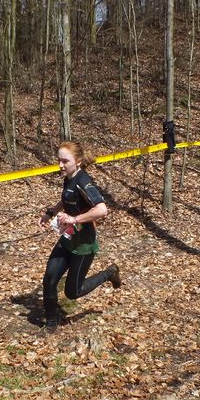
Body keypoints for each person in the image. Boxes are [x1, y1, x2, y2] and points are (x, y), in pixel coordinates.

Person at [37, 141, 121, 331]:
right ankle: (51, 322)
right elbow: (67, 197)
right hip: (68, 239)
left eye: (65, 161)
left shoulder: (84, 181)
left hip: (83, 245)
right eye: (59, 160)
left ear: (78, 161)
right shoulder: (69, 177)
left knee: (72, 292)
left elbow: (102, 210)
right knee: (49, 279)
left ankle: (109, 273)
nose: (60, 165)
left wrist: (74, 219)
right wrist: (50, 213)